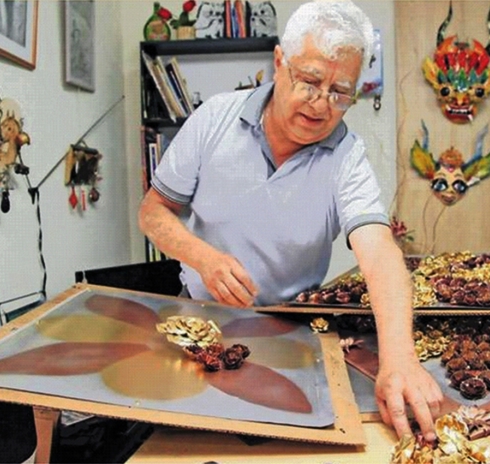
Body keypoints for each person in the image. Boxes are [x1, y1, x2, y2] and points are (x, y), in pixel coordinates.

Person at [138, 0, 443, 440]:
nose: (321, 105)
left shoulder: (347, 156)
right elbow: (153, 212)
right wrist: (203, 257)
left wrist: (399, 360)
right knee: (189, 439)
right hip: (201, 317)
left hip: (293, 328)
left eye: (341, 92)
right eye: (310, 82)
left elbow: (378, 253)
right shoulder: (213, 120)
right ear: (279, 62)